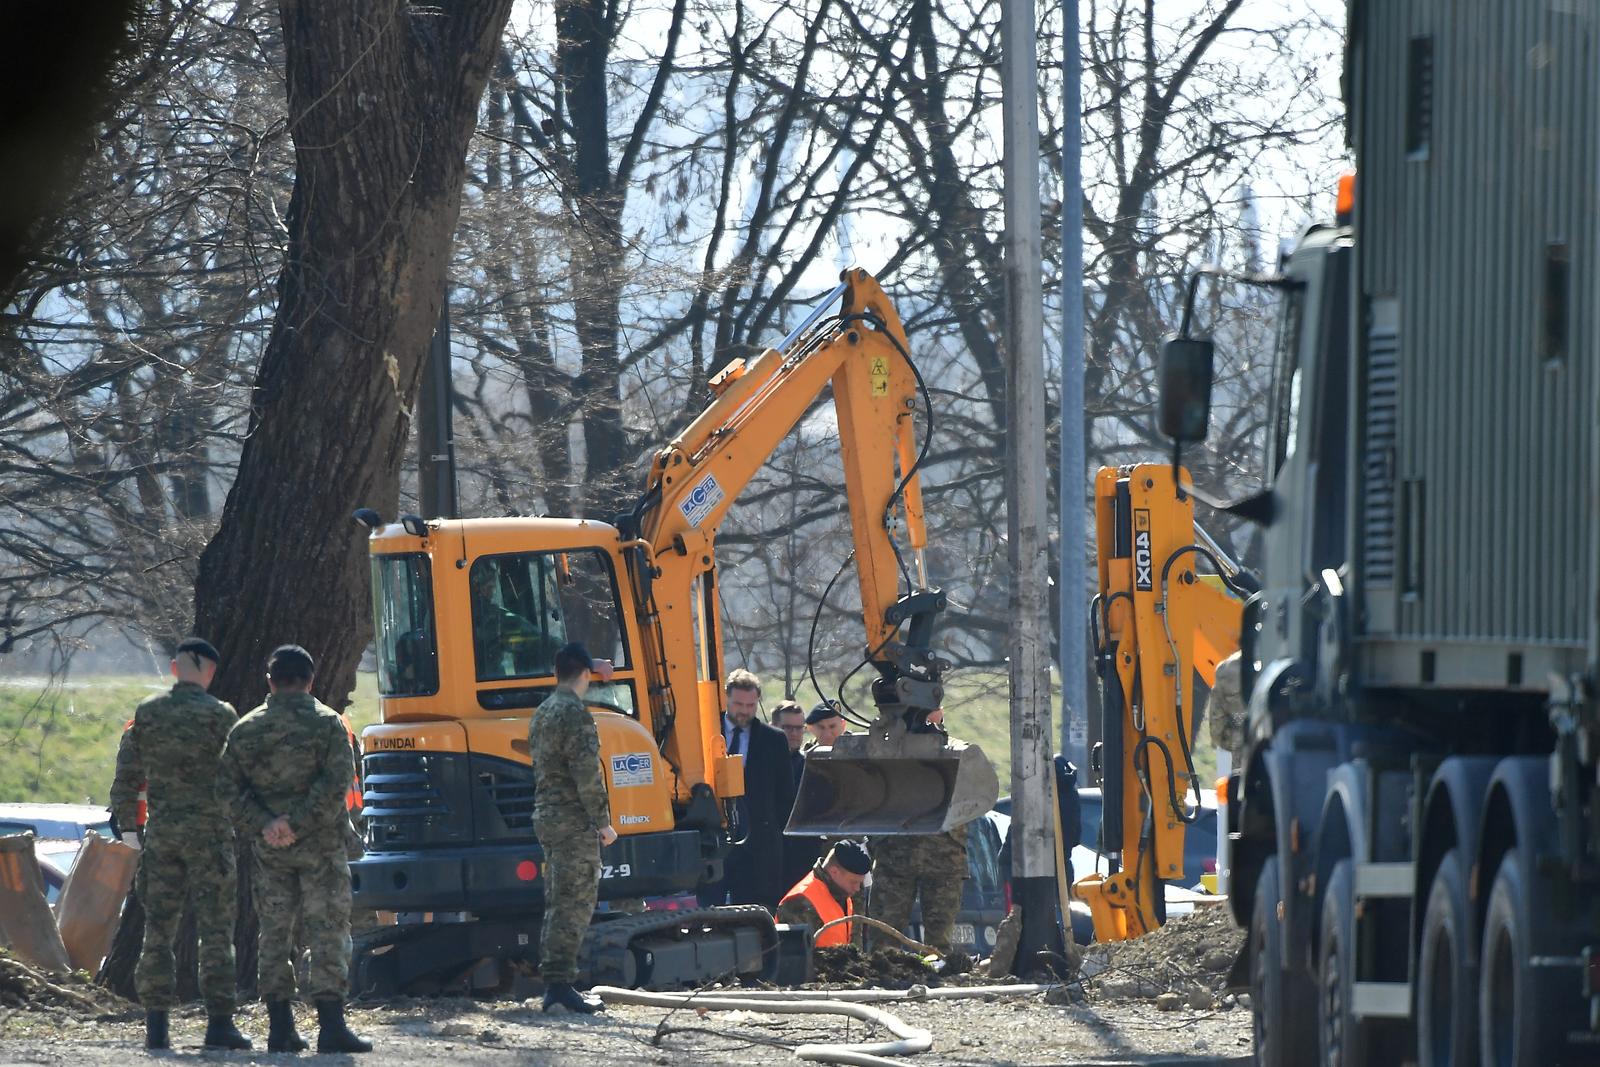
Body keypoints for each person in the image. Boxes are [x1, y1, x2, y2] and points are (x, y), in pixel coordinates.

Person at [218, 645, 371, 1054]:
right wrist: (298, 822)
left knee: (274, 934)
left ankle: (280, 1028)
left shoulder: (245, 729)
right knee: (328, 931)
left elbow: (227, 791)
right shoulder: (328, 725)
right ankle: (331, 1027)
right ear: (311, 680)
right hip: (321, 846)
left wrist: (268, 824)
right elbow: (337, 783)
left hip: (270, 849)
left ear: (269, 681)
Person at [109, 637, 250, 1052]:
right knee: (217, 931)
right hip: (210, 836)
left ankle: (157, 1026)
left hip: (163, 834)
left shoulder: (148, 715)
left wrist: (128, 826)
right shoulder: (222, 715)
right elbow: (236, 776)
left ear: (174, 669)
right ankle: (219, 1025)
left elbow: (127, 774)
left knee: (158, 931)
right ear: (210, 672)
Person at [528, 642, 618, 1014]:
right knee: (575, 903)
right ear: (584, 674)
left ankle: (556, 982)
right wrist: (604, 823)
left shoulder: (543, 712)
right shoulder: (575, 715)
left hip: (547, 816)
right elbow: (587, 775)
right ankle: (560, 987)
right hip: (571, 821)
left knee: (557, 900)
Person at [866, 709, 970, 955]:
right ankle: (886, 975)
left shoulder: (956, 751)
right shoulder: (888, 750)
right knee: (884, 937)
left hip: (942, 858)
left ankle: (935, 976)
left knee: (938, 941)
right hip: (895, 855)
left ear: (941, 713)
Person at [719, 669, 795, 909]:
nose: (744, 711)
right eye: (738, 704)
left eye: (750, 705)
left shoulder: (774, 740)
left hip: (759, 847)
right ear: (726, 699)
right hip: (716, 842)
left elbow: (785, 795)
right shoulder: (705, 732)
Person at [777, 840, 872, 948]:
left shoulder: (842, 894)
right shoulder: (799, 902)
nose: (857, 888)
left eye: (860, 883)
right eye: (853, 882)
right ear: (834, 871)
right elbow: (795, 959)